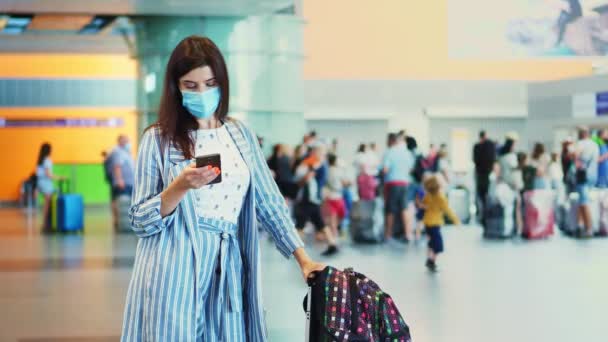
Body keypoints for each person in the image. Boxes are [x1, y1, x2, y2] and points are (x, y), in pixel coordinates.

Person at [120, 36, 324, 342]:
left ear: (222, 83)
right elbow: (138, 220)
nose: (202, 92)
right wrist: (178, 187)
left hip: (228, 260)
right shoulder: (159, 139)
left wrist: (303, 259)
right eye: (191, 85)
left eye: (210, 83)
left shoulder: (239, 134)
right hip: (174, 263)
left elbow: (268, 202)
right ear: (176, 88)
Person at [294, 146, 339, 255]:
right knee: (320, 224)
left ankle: (296, 250)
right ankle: (332, 244)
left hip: (309, 199)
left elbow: (307, 177)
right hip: (312, 199)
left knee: (300, 225)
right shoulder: (319, 165)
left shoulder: (317, 164)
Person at [420, 175, 461, 273]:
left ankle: (429, 258)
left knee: (431, 242)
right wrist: (456, 220)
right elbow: (447, 210)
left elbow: (424, 204)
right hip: (435, 224)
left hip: (427, 222)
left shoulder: (427, 195)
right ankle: (431, 261)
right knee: (438, 245)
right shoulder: (441, 197)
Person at [382, 133, 415, 242]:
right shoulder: (407, 153)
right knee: (404, 208)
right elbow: (411, 169)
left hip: (392, 184)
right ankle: (408, 234)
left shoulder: (389, 152)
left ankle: (388, 234)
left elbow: (385, 170)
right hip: (405, 183)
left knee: (390, 210)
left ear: (391, 141)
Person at [574, 126, 600, 237]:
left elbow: (576, 154)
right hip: (593, 175)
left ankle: (589, 228)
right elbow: (597, 160)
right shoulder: (594, 144)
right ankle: (579, 225)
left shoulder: (581, 143)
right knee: (582, 200)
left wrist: (576, 162)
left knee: (584, 201)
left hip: (582, 175)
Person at [108, 135, 135, 230]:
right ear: (120, 141)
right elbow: (117, 166)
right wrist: (120, 180)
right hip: (123, 183)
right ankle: (119, 224)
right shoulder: (118, 152)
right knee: (119, 202)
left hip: (129, 183)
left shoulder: (125, 152)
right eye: (126, 141)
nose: (128, 143)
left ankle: (126, 223)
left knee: (126, 203)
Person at [35, 143, 64, 232]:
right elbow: (48, 174)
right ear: (48, 150)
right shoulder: (47, 160)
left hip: (40, 182)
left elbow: (38, 173)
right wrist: (59, 177)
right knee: (47, 205)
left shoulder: (40, 160)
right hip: (46, 183)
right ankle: (45, 225)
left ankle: (47, 224)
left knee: (47, 204)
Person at [473, 131, 496, 222]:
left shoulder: (477, 147)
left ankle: (483, 215)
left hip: (480, 174)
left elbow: (475, 160)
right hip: (487, 174)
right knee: (486, 195)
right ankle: (486, 215)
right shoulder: (489, 145)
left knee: (482, 196)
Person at [324, 153, 348, 237]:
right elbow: (344, 182)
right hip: (337, 196)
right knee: (342, 214)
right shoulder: (338, 171)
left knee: (332, 217)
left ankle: (333, 233)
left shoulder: (326, 170)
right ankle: (335, 232)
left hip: (328, 196)